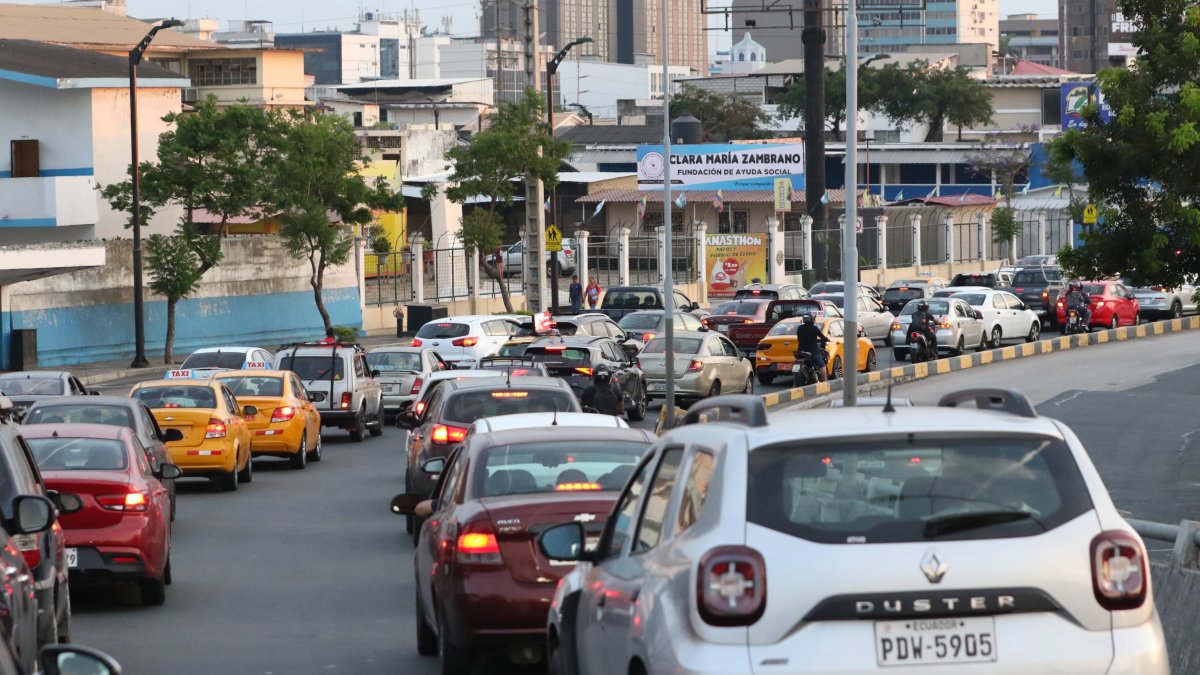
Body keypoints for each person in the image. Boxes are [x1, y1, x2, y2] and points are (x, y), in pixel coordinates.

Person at [794, 313, 831, 382]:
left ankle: (794, 384)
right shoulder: (814, 328)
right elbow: (822, 337)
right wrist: (826, 339)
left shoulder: (799, 328)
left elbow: (799, 338)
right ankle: (825, 382)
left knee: (796, 364)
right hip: (812, 352)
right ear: (812, 319)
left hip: (801, 352)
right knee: (822, 365)